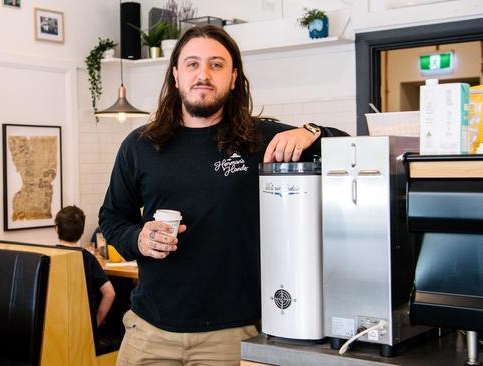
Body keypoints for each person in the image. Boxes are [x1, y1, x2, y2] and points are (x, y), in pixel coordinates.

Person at [99, 25, 348, 365]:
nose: (203, 74)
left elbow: (348, 148)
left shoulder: (260, 139)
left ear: (233, 78)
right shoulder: (140, 145)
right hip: (149, 332)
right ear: (175, 75)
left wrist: (311, 133)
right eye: (192, 64)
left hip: (233, 335)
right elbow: (112, 217)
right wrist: (138, 239)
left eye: (216, 64)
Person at [54, 205, 116, 343]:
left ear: (56, 228)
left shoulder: (50, 255)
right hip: (82, 324)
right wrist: (95, 324)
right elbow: (110, 293)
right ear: (82, 231)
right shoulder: (87, 257)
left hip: (56, 324)